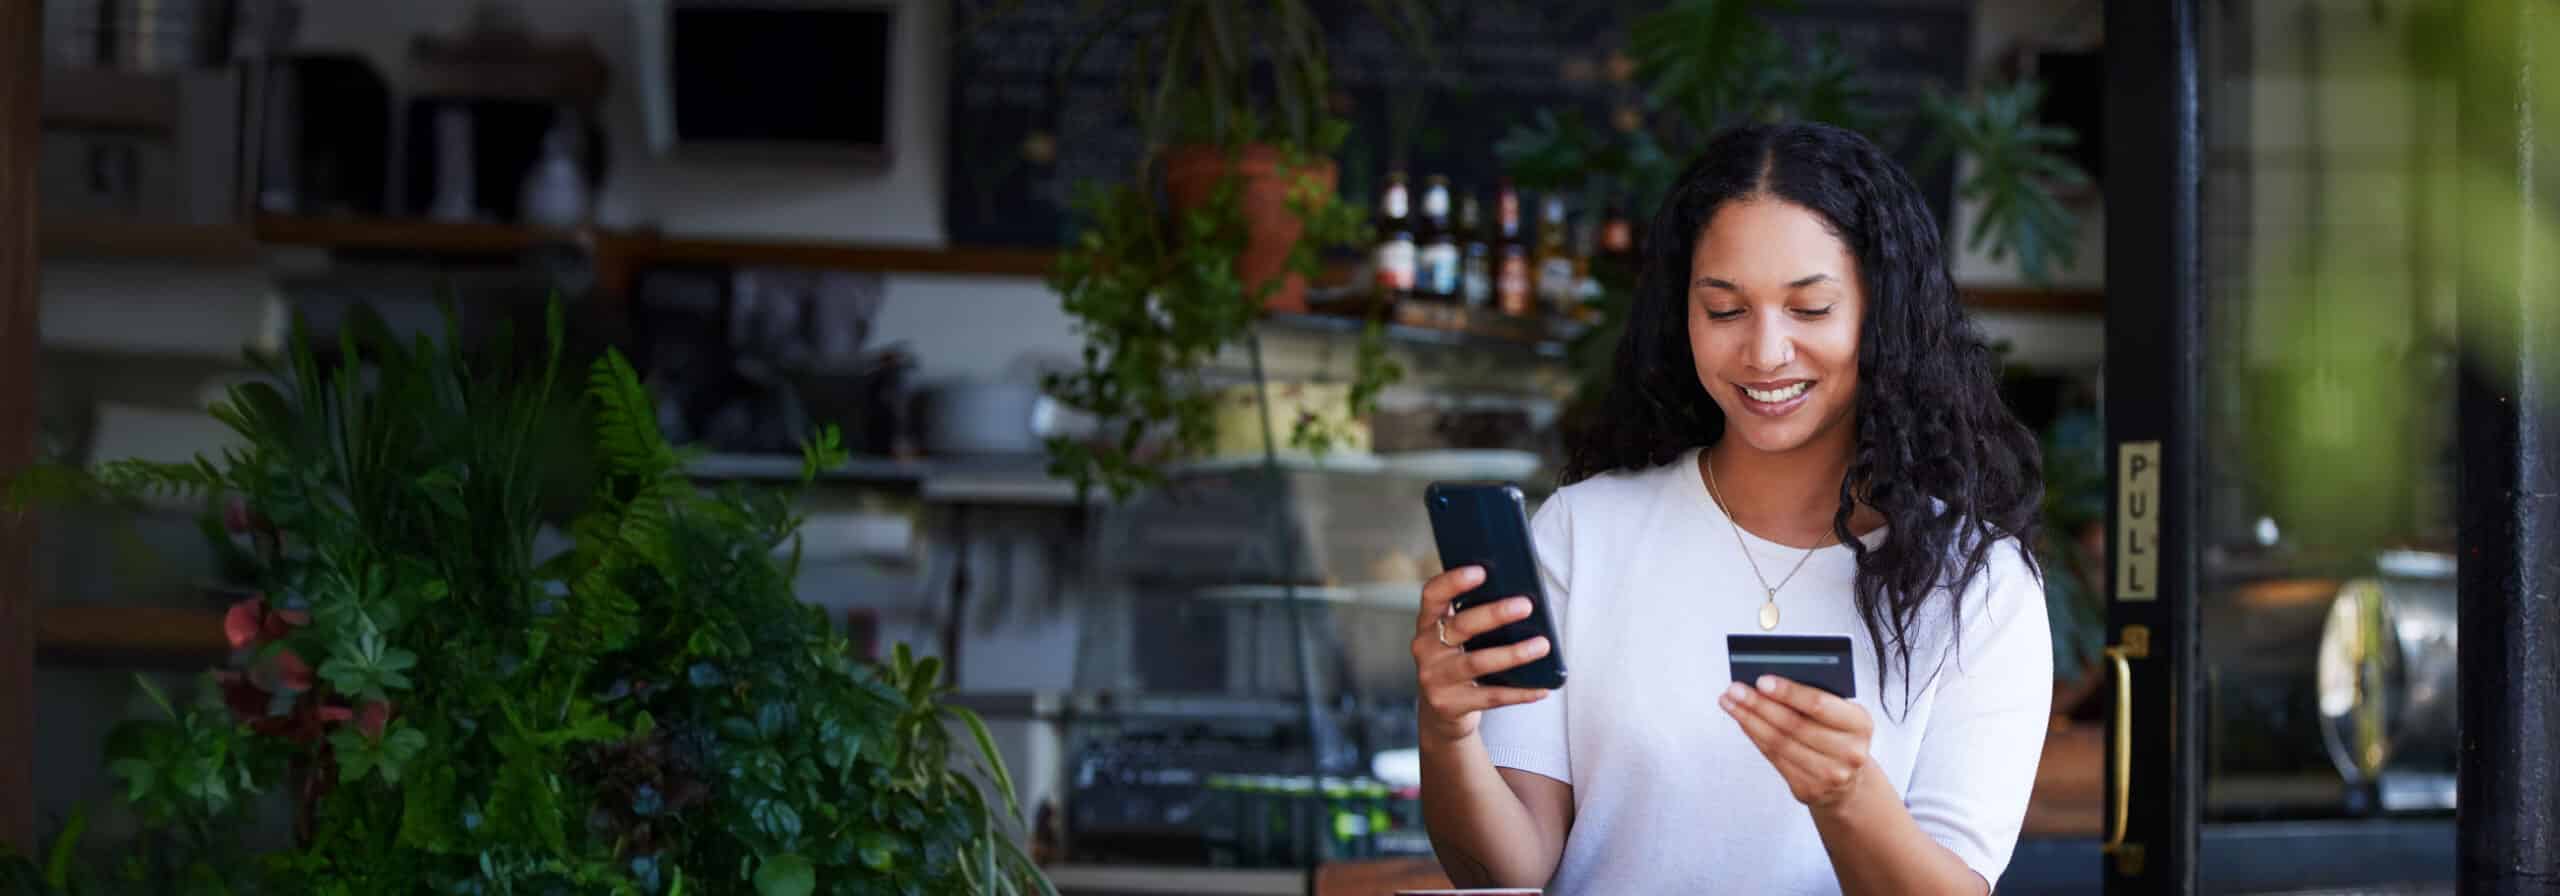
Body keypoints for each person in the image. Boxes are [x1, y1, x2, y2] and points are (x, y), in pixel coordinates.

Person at [1410, 122, 2052, 894]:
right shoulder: (1585, 532)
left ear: (1884, 318)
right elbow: (1509, 868)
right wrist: (1446, 732)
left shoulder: (1978, 584)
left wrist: (1846, 796)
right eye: (1725, 310)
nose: (1765, 352)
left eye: (1810, 310)